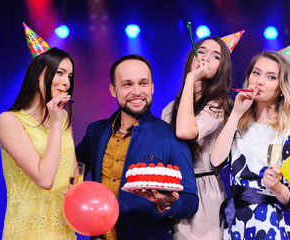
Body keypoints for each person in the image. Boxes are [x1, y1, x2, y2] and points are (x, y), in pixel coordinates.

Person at [76, 54, 199, 240]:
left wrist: (167, 204)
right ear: (113, 90)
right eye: (127, 84)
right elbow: (72, 169)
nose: (137, 91)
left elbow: (190, 201)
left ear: (152, 87)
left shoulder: (172, 137)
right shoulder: (96, 132)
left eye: (143, 83)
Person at [210, 40, 290, 240]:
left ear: (281, 87)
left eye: (271, 77)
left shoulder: (289, 132)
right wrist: (235, 114)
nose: (259, 81)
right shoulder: (237, 122)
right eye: (256, 73)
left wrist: (276, 187)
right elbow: (216, 161)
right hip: (234, 220)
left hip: (266, 223)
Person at [0, 23, 76, 239]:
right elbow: (44, 179)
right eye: (60, 73)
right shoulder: (9, 121)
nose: (66, 82)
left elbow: (73, 173)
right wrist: (56, 123)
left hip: (64, 228)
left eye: (69, 76)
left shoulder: (63, 116)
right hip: (29, 231)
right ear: (38, 73)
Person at [162, 31, 244, 240]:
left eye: (215, 56)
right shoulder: (170, 108)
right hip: (171, 191)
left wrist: (191, 79)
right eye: (201, 52)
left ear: (221, 69)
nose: (205, 58)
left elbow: (186, 131)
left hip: (203, 192)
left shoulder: (219, 105)